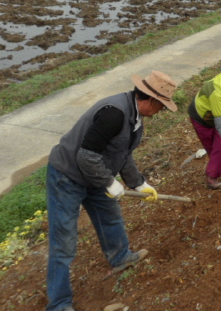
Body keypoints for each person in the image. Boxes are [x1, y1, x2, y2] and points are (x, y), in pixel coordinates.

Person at [45, 70, 178, 311]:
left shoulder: (135, 119)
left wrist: (138, 183)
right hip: (67, 176)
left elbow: (122, 153)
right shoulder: (114, 114)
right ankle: (59, 304)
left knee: (110, 216)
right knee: (63, 241)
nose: (160, 112)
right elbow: (86, 156)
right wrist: (109, 182)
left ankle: (120, 257)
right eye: (161, 106)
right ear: (150, 100)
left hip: (96, 174)